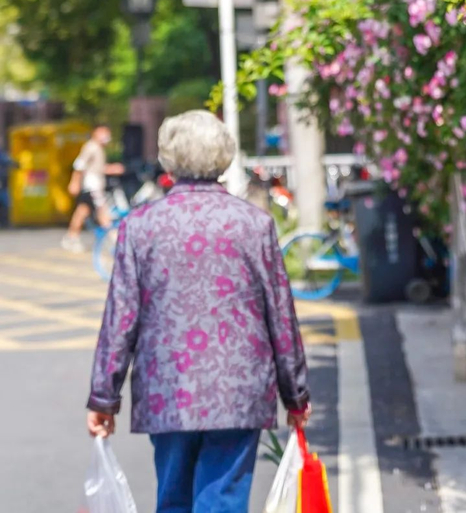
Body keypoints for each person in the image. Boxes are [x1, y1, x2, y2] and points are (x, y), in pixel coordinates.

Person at [86, 109, 311, 513]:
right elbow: (280, 314)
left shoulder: (140, 227)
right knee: (223, 499)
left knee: (173, 498)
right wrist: (296, 395)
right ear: (224, 158)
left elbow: (121, 320)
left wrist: (104, 398)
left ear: (168, 161)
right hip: (238, 390)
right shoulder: (254, 224)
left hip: (168, 389)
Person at [62, 123, 123, 251]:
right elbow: (79, 165)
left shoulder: (98, 148)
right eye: (104, 132)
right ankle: (115, 239)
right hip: (93, 186)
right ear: (96, 132)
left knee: (82, 211)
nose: (107, 136)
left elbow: (97, 168)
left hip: (94, 184)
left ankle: (71, 237)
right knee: (102, 210)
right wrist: (74, 182)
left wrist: (110, 169)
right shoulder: (91, 147)